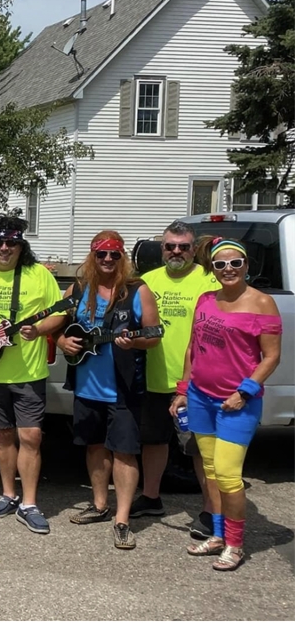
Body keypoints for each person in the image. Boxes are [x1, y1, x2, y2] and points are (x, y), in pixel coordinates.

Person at [171, 238, 282, 571]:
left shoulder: (263, 303)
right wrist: (183, 390)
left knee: (229, 476)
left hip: (237, 404)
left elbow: (272, 356)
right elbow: (193, 347)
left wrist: (244, 391)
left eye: (236, 263)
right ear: (213, 269)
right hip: (201, 398)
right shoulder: (205, 300)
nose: (228, 270)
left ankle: (235, 544)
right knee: (211, 472)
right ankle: (218, 535)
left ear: (246, 265)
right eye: (220, 265)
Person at [52, 232, 160, 550]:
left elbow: (154, 335)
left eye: (114, 254)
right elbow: (56, 321)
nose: (108, 260)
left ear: (122, 256)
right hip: (87, 386)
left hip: (123, 387)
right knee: (94, 447)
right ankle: (100, 505)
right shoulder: (80, 289)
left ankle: (122, 519)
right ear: (92, 256)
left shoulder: (137, 291)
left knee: (125, 452)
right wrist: (60, 341)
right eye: (102, 254)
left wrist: (135, 340)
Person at [0, 213, 61, 535]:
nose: (4, 248)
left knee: (30, 436)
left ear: (21, 245)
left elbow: (60, 312)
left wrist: (40, 329)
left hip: (28, 372)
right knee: (2, 437)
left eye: (11, 243)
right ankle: (8, 493)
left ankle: (29, 503)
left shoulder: (38, 275)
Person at [133, 222, 218, 537]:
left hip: (196, 382)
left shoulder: (210, 280)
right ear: (162, 249)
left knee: (199, 449)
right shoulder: (146, 281)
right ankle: (151, 497)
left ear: (193, 249)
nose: (176, 252)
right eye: (170, 246)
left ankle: (210, 513)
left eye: (183, 246)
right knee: (153, 442)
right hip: (153, 378)